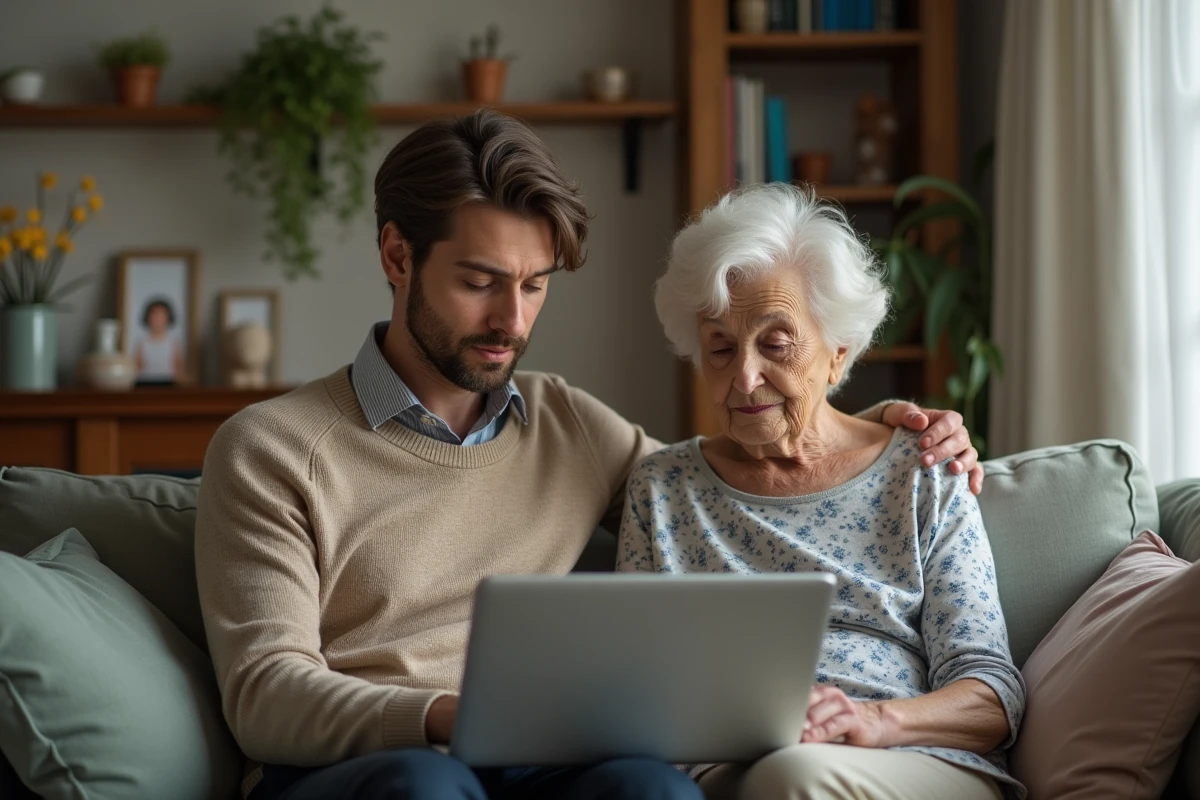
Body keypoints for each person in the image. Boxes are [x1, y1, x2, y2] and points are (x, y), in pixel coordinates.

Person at [194, 109, 984, 800]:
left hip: (539, 761)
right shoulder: (274, 448)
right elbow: (265, 694)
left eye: (534, 285)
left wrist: (878, 427)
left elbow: (733, 466)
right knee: (428, 785)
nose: (513, 318)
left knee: (651, 788)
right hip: (370, 766)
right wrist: (443, 714)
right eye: (480, 282)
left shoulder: (566, 423)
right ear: (397, 258)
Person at [617, 182, 1024, 800]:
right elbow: (634, 685)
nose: (745, 377)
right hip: (727, 770)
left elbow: (992, 693)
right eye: (720, 348)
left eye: (776, 344)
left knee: (791, 775)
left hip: (906, 758)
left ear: (838, 355)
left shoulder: (923, 471)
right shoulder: (663, 487)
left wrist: (875, 722)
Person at [134, 297, 184, 383]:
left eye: (162, 315)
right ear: (148, 317)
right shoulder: (142, 343)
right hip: (146, 383)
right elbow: (137, 368)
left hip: (168, 383)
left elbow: (179, 368)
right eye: (155, 315)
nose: (158, 319)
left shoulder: (173, 343)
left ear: (168, 318)